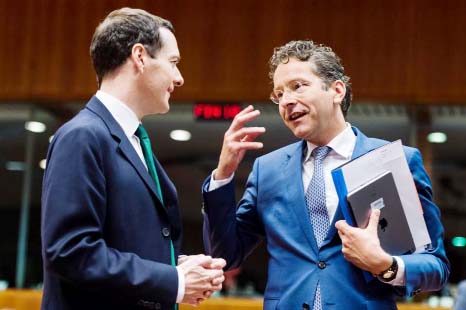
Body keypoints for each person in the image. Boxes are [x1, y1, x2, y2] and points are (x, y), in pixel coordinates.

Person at [202, 40, 450, 309]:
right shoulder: (268, 170)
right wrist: (223, 174)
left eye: (298, 86)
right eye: (279, 94)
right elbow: (225, 254)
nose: (286, 101)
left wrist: (385, 264)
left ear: (336, 90)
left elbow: (435, 265)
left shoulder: (394, 161)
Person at [41, 8, 225, 310]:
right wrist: (173, 281)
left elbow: (120, 242)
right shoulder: (82, 135)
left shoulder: (133, 139)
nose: (179, 78)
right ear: (140, 56)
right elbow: (71, 251)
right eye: (173, 62)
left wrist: (176, 268)